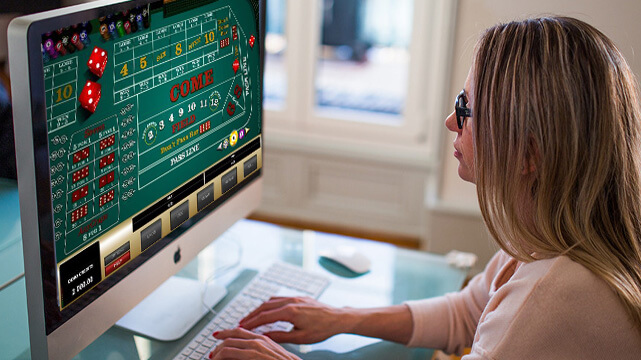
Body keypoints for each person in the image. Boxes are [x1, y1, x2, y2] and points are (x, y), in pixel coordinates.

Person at [208, 16, 641, 359]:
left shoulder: (558, 295)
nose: (451, 122)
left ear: (529, 155)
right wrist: (341, 318)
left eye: (465, 109)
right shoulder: (553, 232)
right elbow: (467, 313)